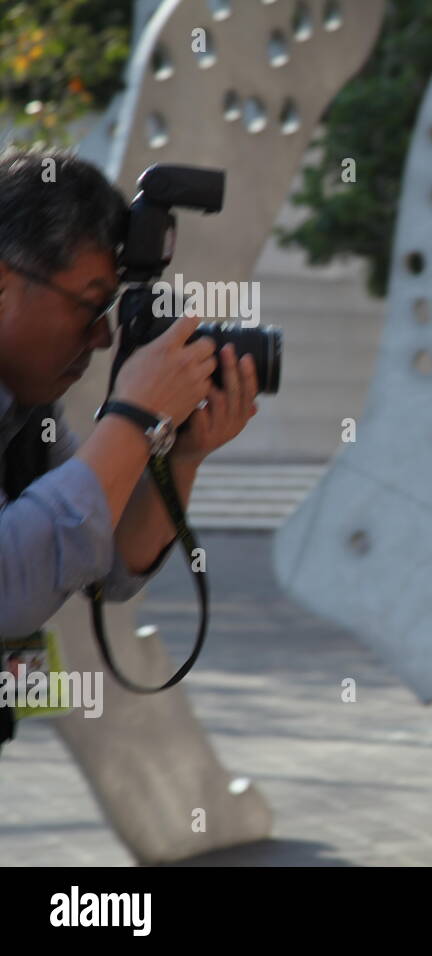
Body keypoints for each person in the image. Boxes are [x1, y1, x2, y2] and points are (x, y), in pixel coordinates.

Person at [0, 150, 259, 753]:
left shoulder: (25, 413)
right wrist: (135, 415)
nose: (103, 337)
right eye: (91, 304)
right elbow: (10, 590)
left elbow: (108, 563)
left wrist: (179, 455)